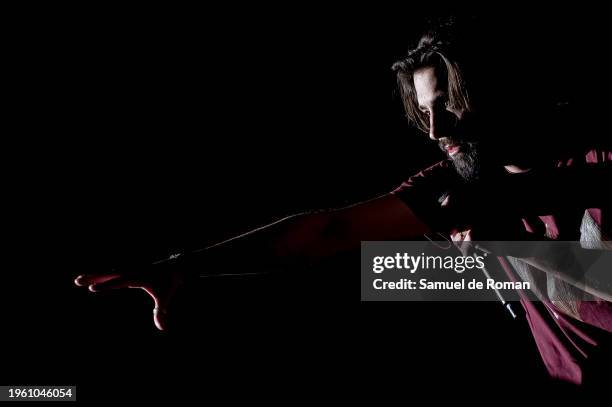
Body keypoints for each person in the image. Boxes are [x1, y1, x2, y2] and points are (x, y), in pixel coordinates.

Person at [75, 21, 612, 386]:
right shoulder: (458, 181)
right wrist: (185, 267)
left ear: (502, 89)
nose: (434, 129)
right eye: (426, 111)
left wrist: (508, 240)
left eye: (448, 106)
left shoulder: (597, 157)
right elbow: (324, 232)